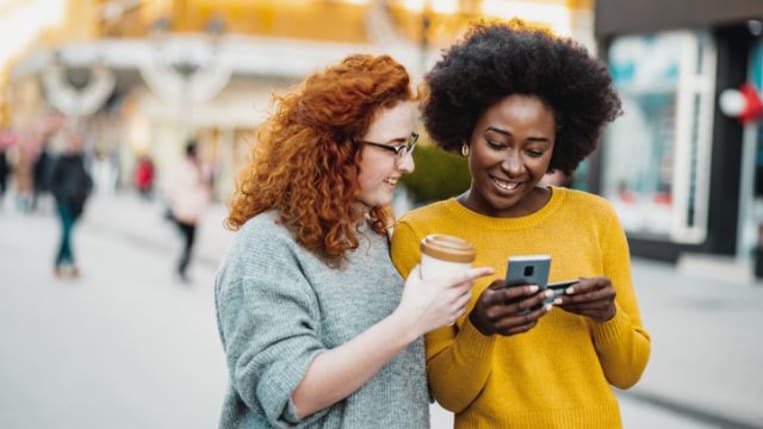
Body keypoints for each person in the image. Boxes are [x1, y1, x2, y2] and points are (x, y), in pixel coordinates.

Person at [390, 22, 651, 428]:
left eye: (535, 150)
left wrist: (606, 315)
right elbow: (448, 394)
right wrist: (480, 326)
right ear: (466, 133)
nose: (513, 166)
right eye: (496, 143)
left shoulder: (595, 218)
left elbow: (628, 372)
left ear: (557, 149)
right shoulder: (421, 234)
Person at [215, 54, 492, 429]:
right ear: (337, 148)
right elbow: (293, 394)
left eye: (408, 145)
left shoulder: (376, 241)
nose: (407, 164)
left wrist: (475, 318)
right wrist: (409, 322)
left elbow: (402, 384)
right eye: (395, 147)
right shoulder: (266, 247)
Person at [163, 141, 210, 283]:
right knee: (185, 242)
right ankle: (180, 268)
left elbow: (203, 189)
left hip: (194, 213)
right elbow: (170, 187)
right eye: (199, 151)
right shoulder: (181, 168)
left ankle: (182, 268)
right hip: (182, 212)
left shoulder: (200, 168)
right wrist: (177, 205)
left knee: (191, 243)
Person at [49, 128, 93, 278]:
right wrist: (61, 195)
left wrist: (85, 194)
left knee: (67, 233)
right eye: (72, 142)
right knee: (67, 231)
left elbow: (87, 181)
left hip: (77, 204)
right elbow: (53, 181)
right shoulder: (61, 160)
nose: (75, 145)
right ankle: (72, 263)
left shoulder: (82, 161)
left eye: (77, 143)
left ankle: (57, 263)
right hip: (63, 202)